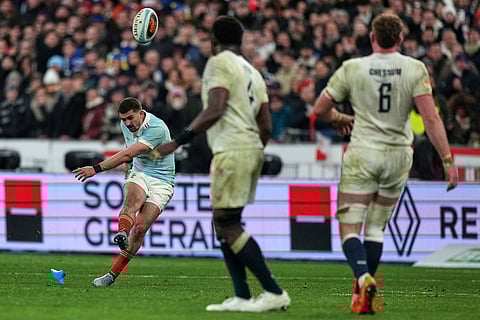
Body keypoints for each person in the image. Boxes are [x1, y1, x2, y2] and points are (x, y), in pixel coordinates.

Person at [312, 13, 459, 314]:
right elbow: (430, 118)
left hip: (364, 152)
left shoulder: (353, 68)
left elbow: (320, 109)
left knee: (350, 227)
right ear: (401, 39)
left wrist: (340, 118)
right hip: (398, 155)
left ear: (372, 37)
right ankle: (361, 297)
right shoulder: (415, 68)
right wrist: (447, 160)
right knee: (377, 228)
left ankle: (363, 276)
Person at [153, 16, 290, 312]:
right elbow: (265, 124)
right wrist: (254, 150)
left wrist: (178, 141)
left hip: (232, 149)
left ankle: (273, 291)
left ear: (214, 41)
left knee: (227, 223)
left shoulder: (217, 63)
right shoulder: (252, 70)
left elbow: (215, 108)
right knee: (224, 221)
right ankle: (241, 295)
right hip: (251, 148)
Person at [73, 97, 175, 287]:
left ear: (140, 112)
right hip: (140, 173)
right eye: (123, 119)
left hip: (163, 182)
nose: (127, 124)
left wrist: (95, 169)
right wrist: (129, 172)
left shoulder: (157, 128)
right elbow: (129, 154)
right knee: (131, 202)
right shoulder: (126, 125)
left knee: (140, 229)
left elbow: (128, 153)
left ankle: (112, 275)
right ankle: (121, 233)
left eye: (130, 118)